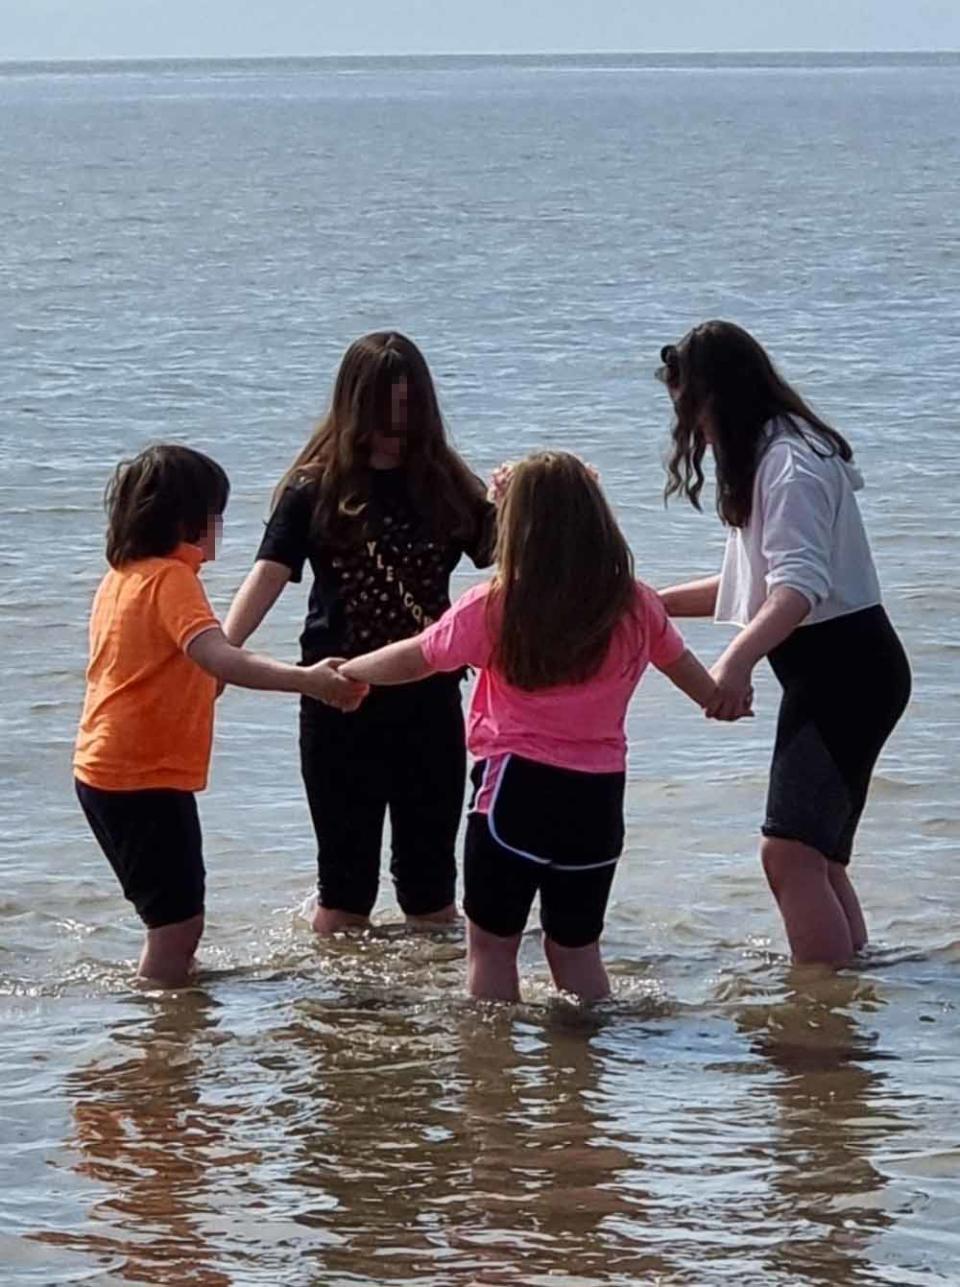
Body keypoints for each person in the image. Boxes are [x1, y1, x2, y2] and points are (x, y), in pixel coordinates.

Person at [340, 452, 740, 1002]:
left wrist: (346, 673)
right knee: (577, 953)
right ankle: (582, 1075)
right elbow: (702, 686)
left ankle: (493, 1076)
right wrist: (729, 696)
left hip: (516, 794)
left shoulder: (496, 606)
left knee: (492, 950)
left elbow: (418, 658)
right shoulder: (635, 605)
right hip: (597, 804)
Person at [655, 320, 911, 966]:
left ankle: (821, 1019)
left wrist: (733, 663)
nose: (695, 435)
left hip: (845, 671)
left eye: (692, 415)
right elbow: (754, 582)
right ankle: (849, 989)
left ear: (716, 398)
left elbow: (795, 592)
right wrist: (651, 602)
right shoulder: (775, 451)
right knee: (816, 859)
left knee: (789, 854)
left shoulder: (790, 464)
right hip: (848, 668)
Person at [224, 332, 495, 935]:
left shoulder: (449, 487)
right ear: (356, 405)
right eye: (385, 408)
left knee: (431, 889)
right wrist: (219, 657)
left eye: (410, 407)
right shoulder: (313, 490)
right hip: (337, 697)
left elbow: (517, 557)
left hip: (429, 698)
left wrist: (543, 493)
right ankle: (339, 1019)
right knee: (345, 888)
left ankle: (429, 1018)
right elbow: (267, 576)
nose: (398, 424)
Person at [74, 444, 366, 987]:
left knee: (172, 916)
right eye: (216, 515)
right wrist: (307, 680)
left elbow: (156, 670)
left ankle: (173, 1006)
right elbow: (219, 657)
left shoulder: (122, 577)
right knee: (177, 926)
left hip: (102, 770)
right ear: (189, 520)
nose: (219, 529)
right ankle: (160, 1036)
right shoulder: (171, 580)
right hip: (142, 777)